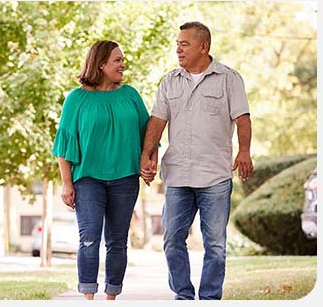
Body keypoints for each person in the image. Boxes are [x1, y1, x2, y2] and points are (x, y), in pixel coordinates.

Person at [140, 21, 253, 300]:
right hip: (178, 174)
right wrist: (147, 153)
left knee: (215, 245)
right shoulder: (169, 81)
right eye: (177, 43)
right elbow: (157, 120)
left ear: (204, 46)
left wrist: (244, 151)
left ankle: (211, 296)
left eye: (185, 43)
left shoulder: (229, 78)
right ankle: (183, 294)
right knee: (171, 240)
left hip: (214, 175)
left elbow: (243, 118)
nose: (178, 48)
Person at [52, 40, 156, 300]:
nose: (123, 65)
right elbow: (64, 143)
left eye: (122, 60)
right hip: (88, 179)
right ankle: (88, 297)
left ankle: (111, 297)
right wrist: (67, 183)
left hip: (125, 178)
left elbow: (149, 135)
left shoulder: (130, 95)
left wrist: (150, 161)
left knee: (117, 242)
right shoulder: (76, 99)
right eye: (117, 60)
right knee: (89, 238)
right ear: (100, 65)